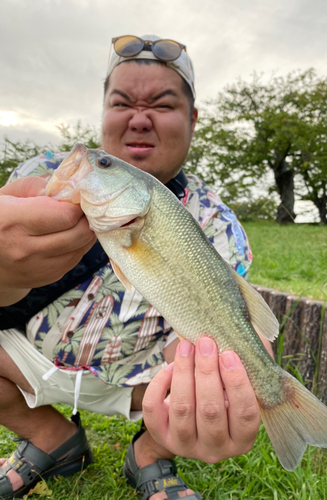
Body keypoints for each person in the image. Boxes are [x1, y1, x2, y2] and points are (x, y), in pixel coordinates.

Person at [0, 35, 272, 500]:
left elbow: (209, 335)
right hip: (27, 363)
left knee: (216, 380)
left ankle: (149, 454)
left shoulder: (219, 225)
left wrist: (218, 381)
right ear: (104, 110)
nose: (139, 119)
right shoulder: (40, 177)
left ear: (192, 119)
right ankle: (54, 439)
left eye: (162, 105)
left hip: (139, 387)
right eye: (121, 102)